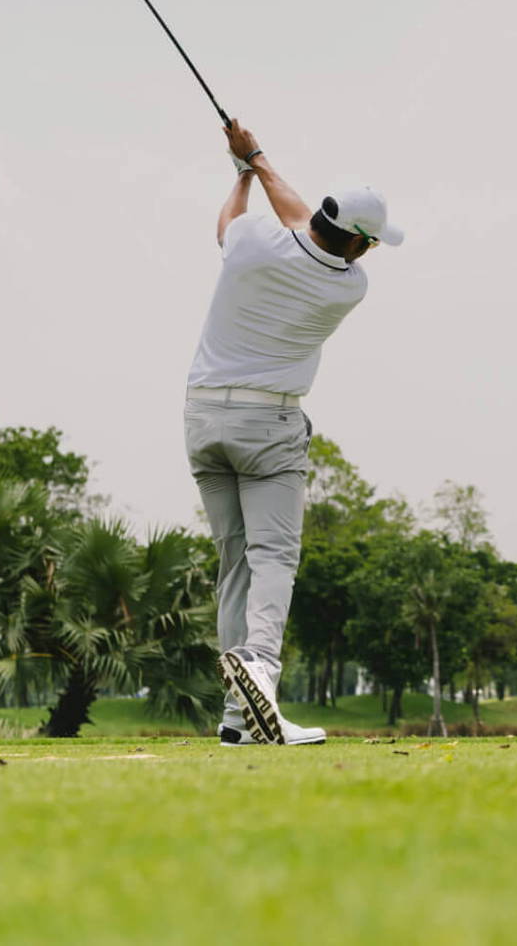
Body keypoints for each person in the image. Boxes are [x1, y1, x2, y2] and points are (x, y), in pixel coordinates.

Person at [184, 119, 403, 745]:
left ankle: (236, 719)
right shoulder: (347, 285)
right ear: (357, 244)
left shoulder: (251, 242)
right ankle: (261, 668)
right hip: (269, 425)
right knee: (273, 556)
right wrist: (257, 160)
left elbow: (237, 226)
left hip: (201, 417)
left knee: (235, 565)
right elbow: (309, 222)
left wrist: (245, 172)